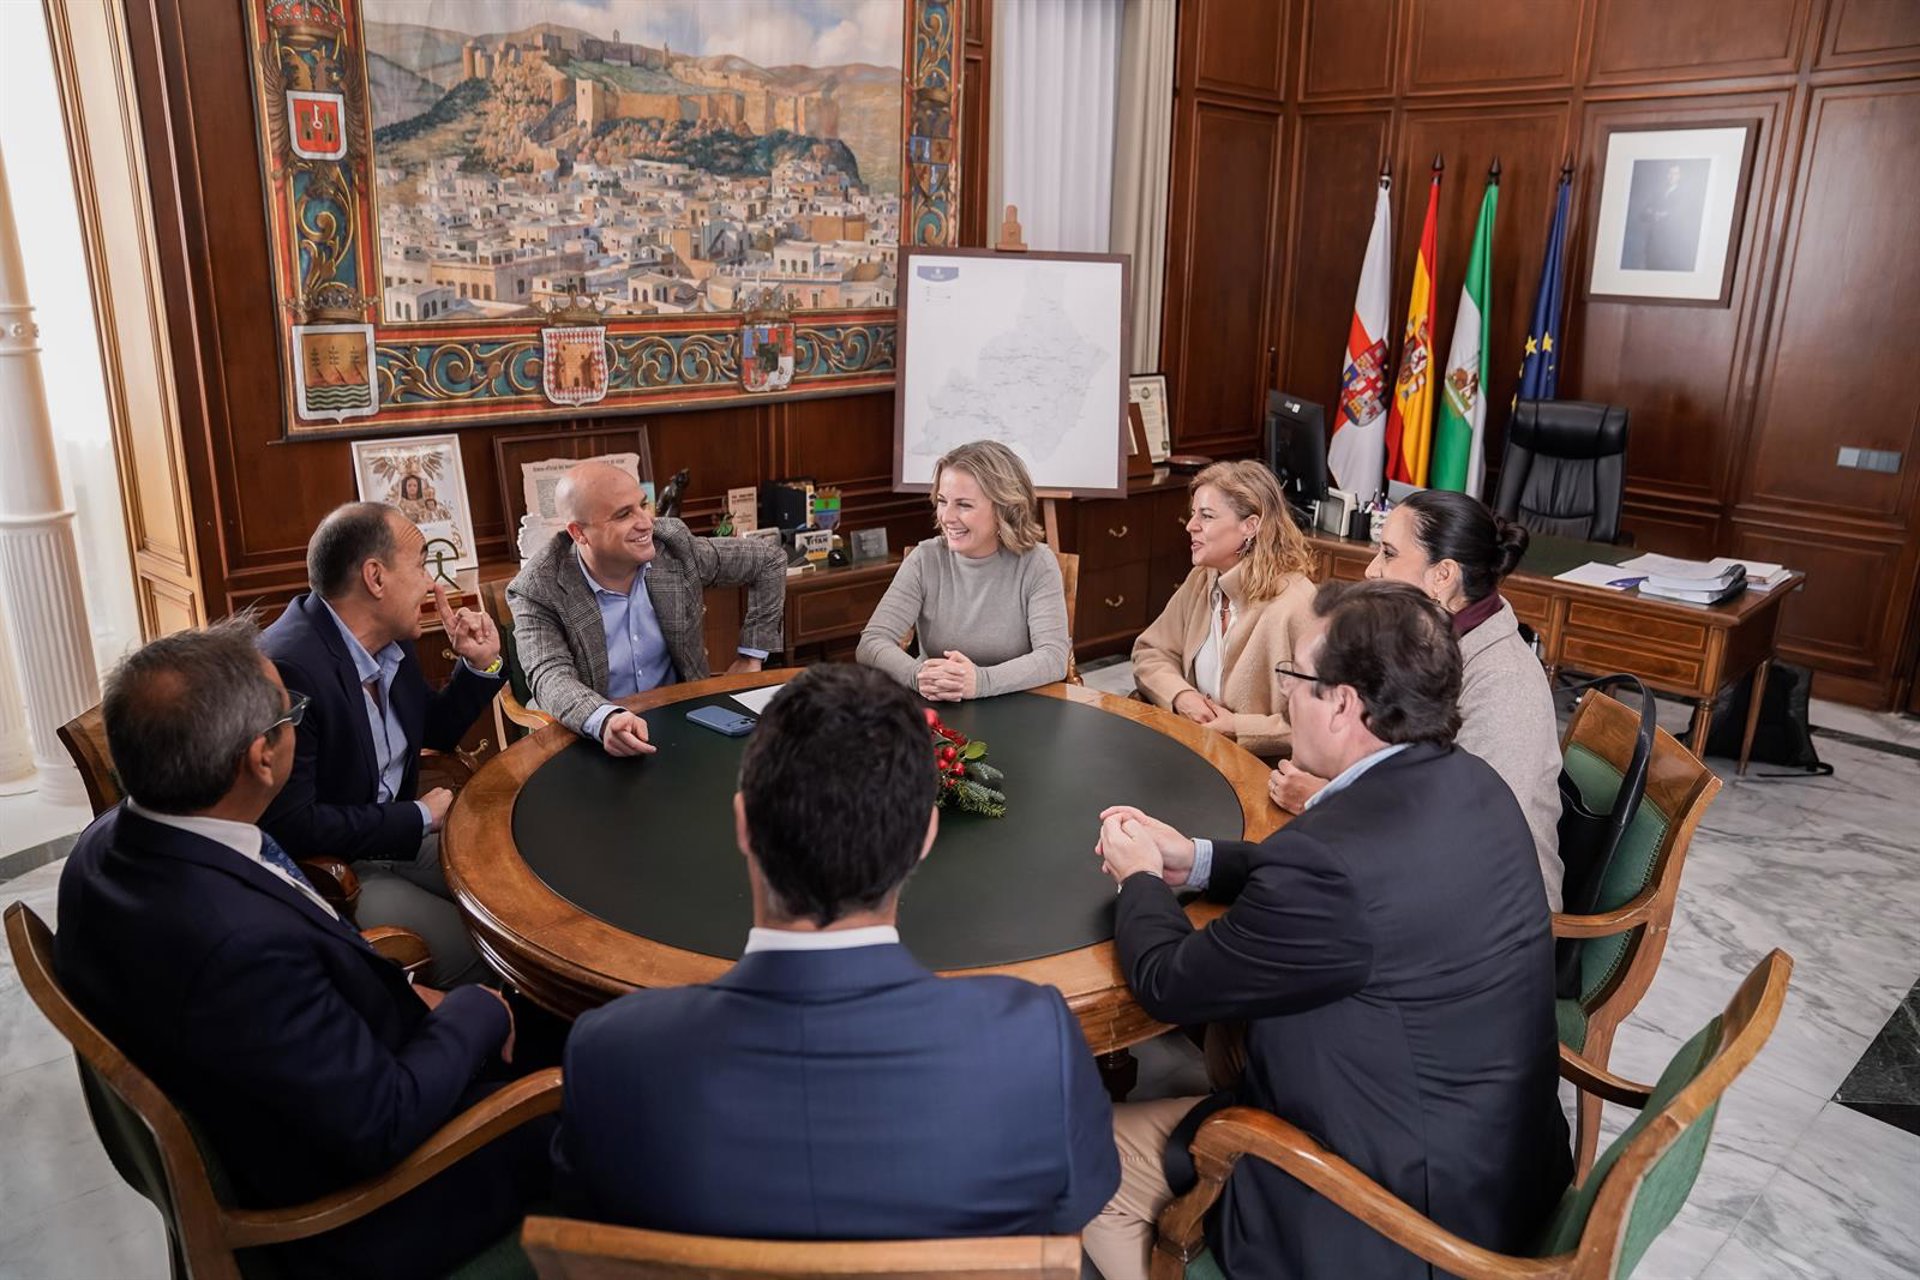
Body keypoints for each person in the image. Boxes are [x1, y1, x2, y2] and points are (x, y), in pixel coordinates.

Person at [1083, 581, 1572, 1280]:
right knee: (1232, 1046)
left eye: (1295, 677)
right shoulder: (1472, 783)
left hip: (1395, 1224)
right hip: (1496, 1165)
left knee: (1079, 1154)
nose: (1285, 696)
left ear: (1343, 704)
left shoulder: (1329, 865)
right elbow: (1347, 884)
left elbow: (1168, 983)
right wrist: (1196, 859)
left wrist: (1138, 877)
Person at [54, 621, 549, 1280]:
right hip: (369, 1210)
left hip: (302, 1091)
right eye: (291, 716)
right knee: (601, 1079)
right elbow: (382, 1123)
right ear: (262, 758)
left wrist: (407, 992)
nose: (298, 724)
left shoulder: (103, 846)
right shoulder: (239, 948)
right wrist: (478, 1011)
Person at [553, 663, 1120, 1238]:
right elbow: (1074, 1206)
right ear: (925, 836)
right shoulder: (1037, 1043)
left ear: (744, 823)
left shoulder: (610, 1053)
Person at [1271, 489, 1565, 908]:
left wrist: (1326, 796)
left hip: (1488, 908)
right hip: (1413, 868)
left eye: (1389, 554)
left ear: (1443, 575)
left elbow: (1473, 829)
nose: (1371, 570)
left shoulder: (1506, 682)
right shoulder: (1419, 642)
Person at [260, 502, 503, 986]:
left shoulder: (389, 637)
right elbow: (293, 825)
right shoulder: (289, 668)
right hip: (336, 869)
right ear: (375, 577)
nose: (432, 583)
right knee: (484, 952)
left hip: (397, 835)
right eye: (421, 566)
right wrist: (418, 817)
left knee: (516, 894)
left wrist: (479, 666)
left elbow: (432, 730)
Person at [507, 460, 787, 756]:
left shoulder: (673, 547)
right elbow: (550, 676)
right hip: (593, 738)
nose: (646, 523)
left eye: (643, 505)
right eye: (623, 514)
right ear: (579, 533)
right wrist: (604, 719)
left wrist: (751, 656)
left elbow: (769, 560)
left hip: (687, 722)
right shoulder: (538, 587)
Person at [856, 440, 1070, 700]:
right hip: (938, 704)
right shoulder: (925, 558)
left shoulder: (1037, 563)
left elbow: (1053, 657)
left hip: (1017, 704)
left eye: (964, 505)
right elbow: (871, 642)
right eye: (942, 501)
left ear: (1004, 508)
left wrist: (981, 682)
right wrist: (918, 675)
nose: (947, 517)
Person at [1130, 460, 1317, 757]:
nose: (1191, 525)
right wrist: (1182, 696)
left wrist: (1239, 727)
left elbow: (1320, 722)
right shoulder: (1202, 579)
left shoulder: (1296, 605)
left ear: (1250, 526)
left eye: (1206, 515)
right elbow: (1151, 652)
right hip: (1197, 752)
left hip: (1262, 769)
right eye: (1193, 513)